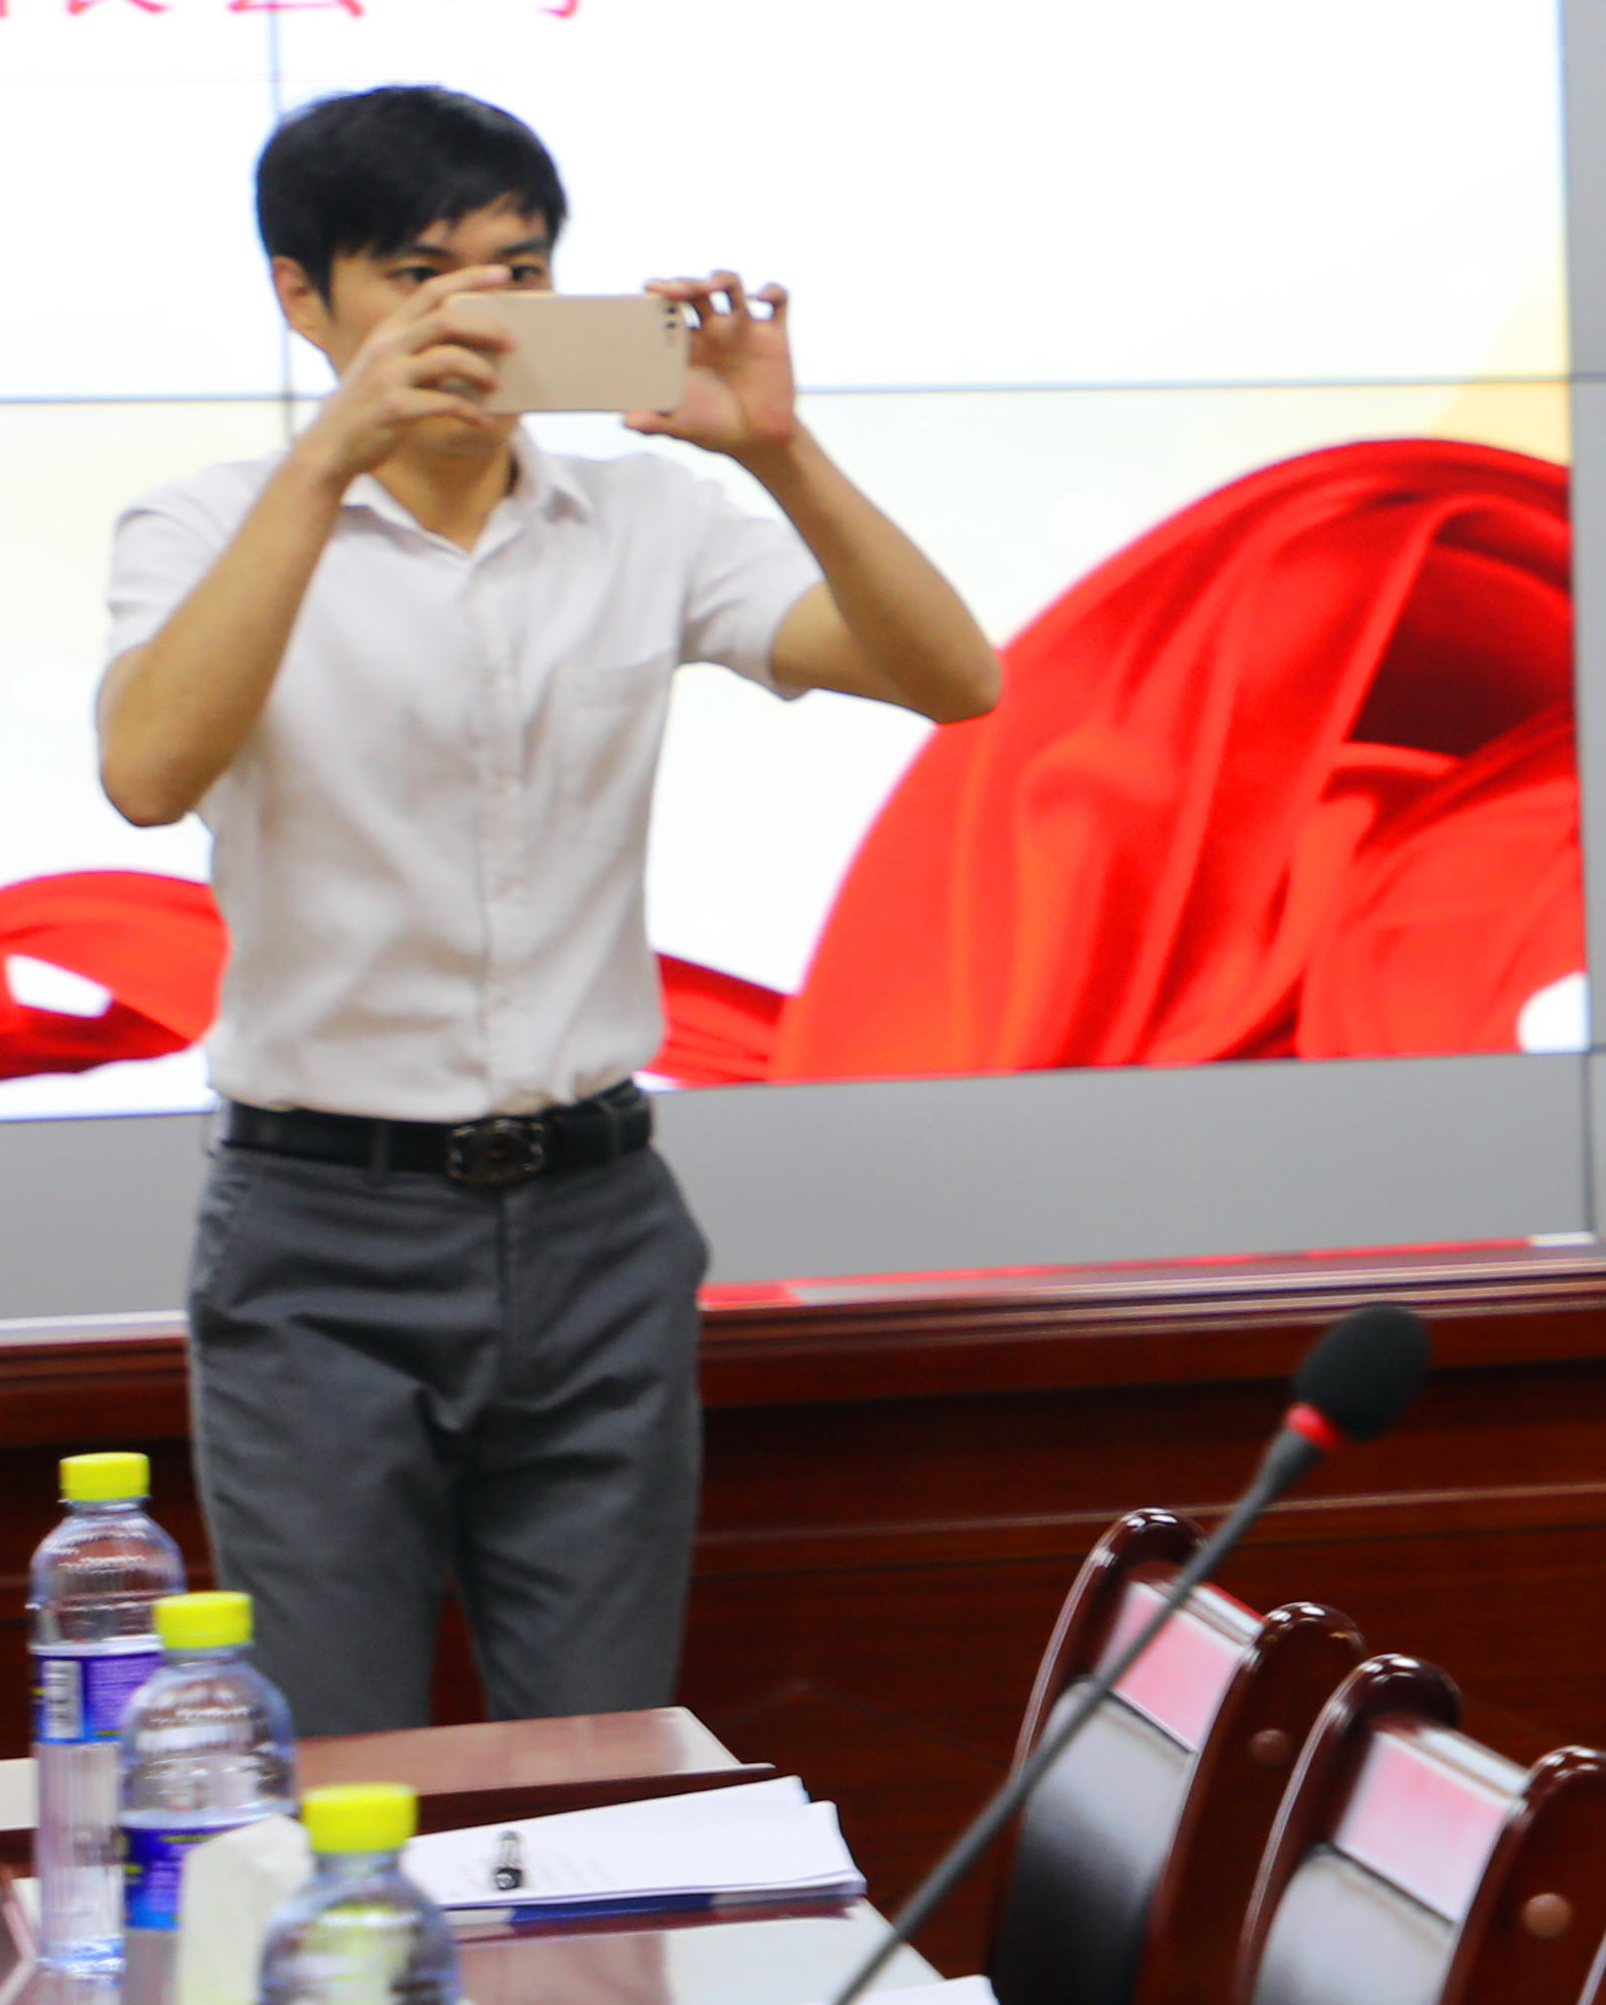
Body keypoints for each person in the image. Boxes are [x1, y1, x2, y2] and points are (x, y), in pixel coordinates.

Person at [95, 86, 1003, 1739]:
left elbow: (954, 679)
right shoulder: (206, 524)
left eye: (518, 273)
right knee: (338, 1761)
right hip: (320, 1232)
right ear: (304, 297)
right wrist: (332, 455)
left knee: (597, 1765)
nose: (479, 318)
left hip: (598, 1220)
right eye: (419, 277)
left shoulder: (648, 515)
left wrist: (780, 452)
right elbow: (148, 773)